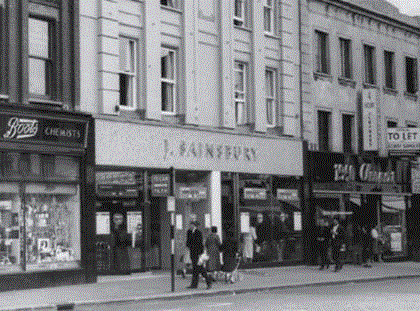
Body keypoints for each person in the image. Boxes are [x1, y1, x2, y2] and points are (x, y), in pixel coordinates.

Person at [186, 221, 212, 289]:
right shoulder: (189, 232)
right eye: (190, 225)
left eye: (191, 225)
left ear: (194, 226)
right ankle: (194, 284)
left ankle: (208, 281)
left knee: (199, 268)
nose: (190, 226)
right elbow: (188, 242)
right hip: (192, 252)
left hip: (197, 253)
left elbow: (200, 244)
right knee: (195, 269)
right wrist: (189, 246)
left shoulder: (198, 233)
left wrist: (200, 253)